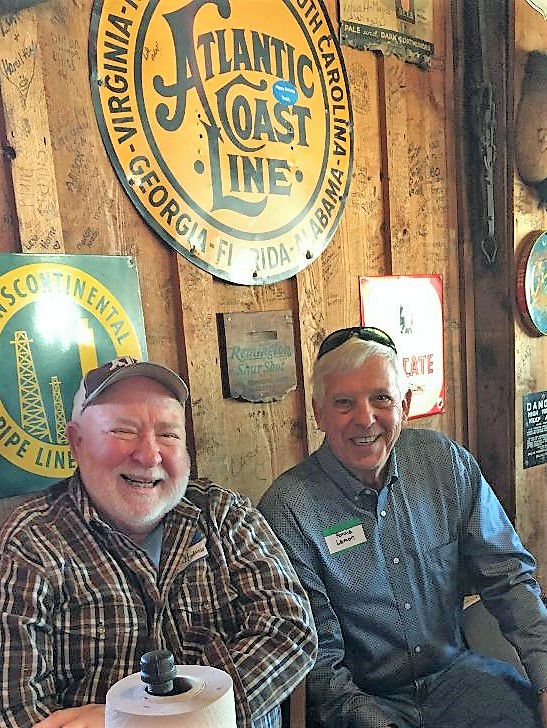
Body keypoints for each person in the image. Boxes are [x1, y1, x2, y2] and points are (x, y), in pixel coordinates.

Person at [0, 356, 317, 728]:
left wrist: (141, 720)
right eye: (124, 431)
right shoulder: (32, 542)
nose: (149, 455)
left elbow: (289, 629)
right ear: (77, 442)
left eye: (168, 434)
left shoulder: (224, 514)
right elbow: (17, 708)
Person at [258, 326, 547, 728]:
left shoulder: (444, 462)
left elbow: (509, 576)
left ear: (405, 405)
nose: (365, 419)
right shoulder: (288, 509)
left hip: (458, 680)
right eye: (344, 403)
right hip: (359, 702)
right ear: (318, 413)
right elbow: (318, 660)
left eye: (381, 398)